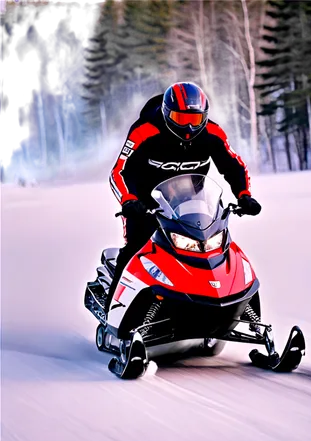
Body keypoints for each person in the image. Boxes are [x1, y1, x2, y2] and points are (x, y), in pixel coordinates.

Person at [105, 81, 261, 314]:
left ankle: (211, 307)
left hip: (193, 202)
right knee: (137, 247)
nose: (188, 126)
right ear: (168, 114)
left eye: (195, 119)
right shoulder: (146, 130)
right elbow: (119, 170)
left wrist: (244, 195)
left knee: (212, 250)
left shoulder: (212, 133)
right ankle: (113, 315)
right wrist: (128, 200)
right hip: (145, 204)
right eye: (180, 118)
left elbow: (233, 166)